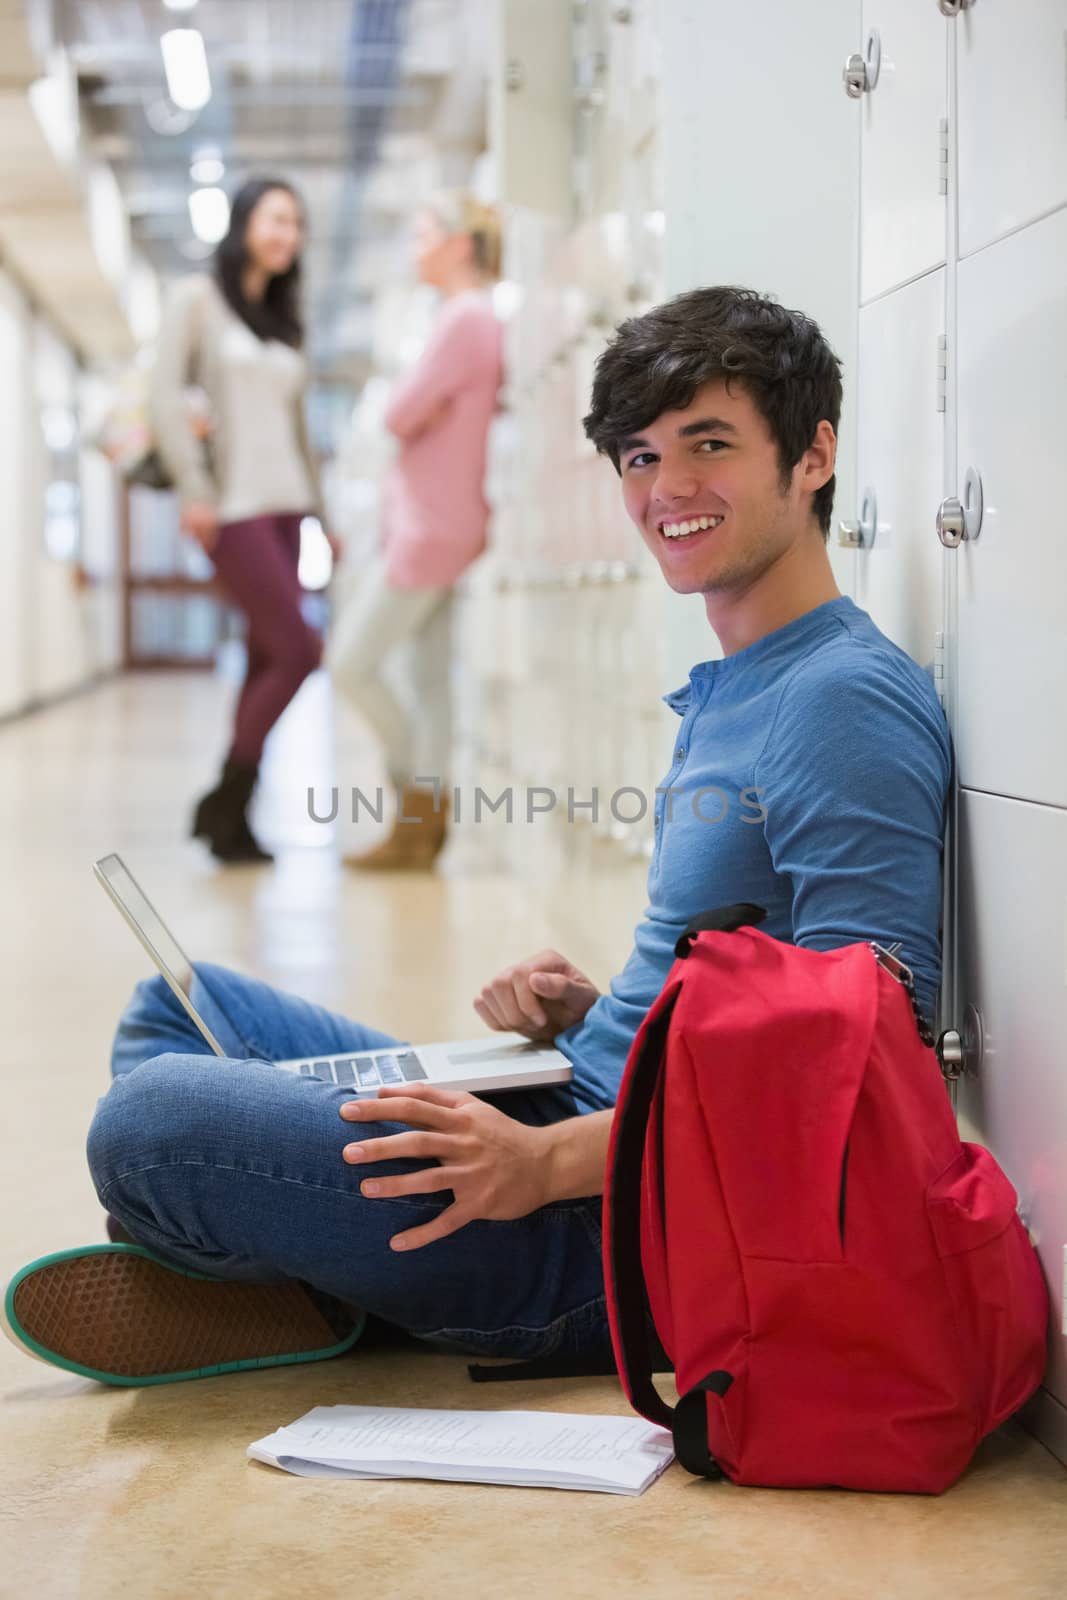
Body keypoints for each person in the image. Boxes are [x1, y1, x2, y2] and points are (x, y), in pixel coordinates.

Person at [3, 287, 951, 1383]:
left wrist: (542, 1163)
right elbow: (762, 996)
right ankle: (311, 1275)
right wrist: (595, 1014)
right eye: (638, 458)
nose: (667, 490)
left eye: (708, 445)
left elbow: (870, 1067)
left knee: (152, 1123)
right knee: (178, 1006)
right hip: (586, 1106)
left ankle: (313, 1282)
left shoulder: (840, 699)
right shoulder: (747, 678)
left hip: (617, 1236)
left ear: (811, 456)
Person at [152, 176, 335, 865]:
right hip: (231, 506)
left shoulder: (284, 319)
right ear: (243, 225)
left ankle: (235, 823)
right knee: (298, 649)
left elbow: (297, 426)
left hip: (287, 506)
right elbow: (166, 396)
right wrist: (193, 488)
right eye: (274, 218)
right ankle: (221, 798)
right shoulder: (196, 300)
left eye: (296, 223)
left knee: (268, 655)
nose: (286, 234)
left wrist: (323, 514)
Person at [327, 191, 504, 870]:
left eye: (425, 232)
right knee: (429, 683)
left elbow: (399, 413)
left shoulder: (464, 319)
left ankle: (416, 800)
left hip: (431, 527)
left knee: (349, 663)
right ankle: (420, 833)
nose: (415, 246)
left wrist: (411, 411)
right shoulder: (474, 319)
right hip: (448, 522)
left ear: (460, 244)